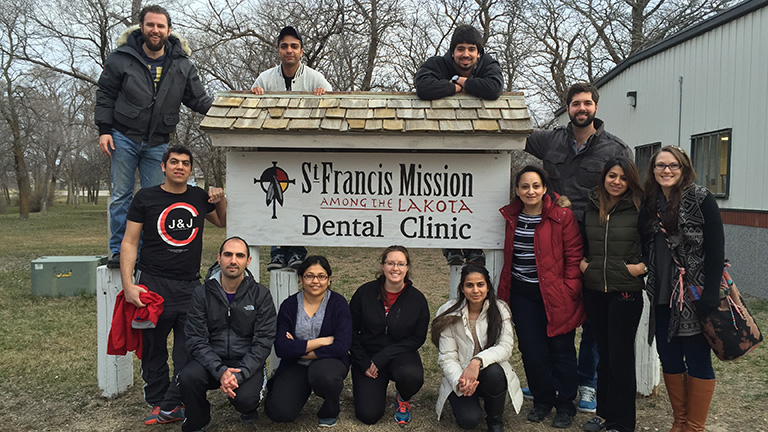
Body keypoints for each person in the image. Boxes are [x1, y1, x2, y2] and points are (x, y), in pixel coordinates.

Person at [525, 82, 633, 417]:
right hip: (553, 242)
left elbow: (625, 194)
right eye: (575, 104)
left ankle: (587, 381)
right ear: (568, 107)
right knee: (553, 309)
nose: (581, 108)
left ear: (596, 107)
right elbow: (510, 132)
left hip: (594, 244)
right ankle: (556, 379)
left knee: (592, 316)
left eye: (587, 103)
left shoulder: (616, 149)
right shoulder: (549, 140)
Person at [95, 5, 213, 268]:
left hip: (158, 142)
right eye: (150, 25)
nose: (155, 30)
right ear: (142, 28)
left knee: (154, 199)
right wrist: (104, 130)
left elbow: (199, 100)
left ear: (169, 31)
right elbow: (105, 95)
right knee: (121, 197)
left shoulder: (182, 64)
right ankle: (118, 251)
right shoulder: (120, 58)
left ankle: (149, 253)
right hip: (122, 136)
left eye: (161, 26)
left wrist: (230, 110)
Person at [119, 145, 226, 425]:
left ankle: (175, 402)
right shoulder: (146, 198)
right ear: (163, 167)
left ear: (191, 170)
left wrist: (219, 199)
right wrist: (129, 285)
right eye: (174, 162)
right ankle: (158, 402)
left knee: (188, 349)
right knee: (153, 347)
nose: (180, 167)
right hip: (152, 284)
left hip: (189, 286)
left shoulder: (198, 197)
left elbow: (221, 221)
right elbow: (129, 241)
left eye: (186, 163)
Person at [639, 146, 723, 432]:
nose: (666, 171)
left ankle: (694, 426)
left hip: (693, 294)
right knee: (669, 355)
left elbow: (716, 248)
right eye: (660, 166)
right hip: (662, 291)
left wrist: (711, 292)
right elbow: (642, 241)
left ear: (684, 168)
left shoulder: (701, 198)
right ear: (653, 171)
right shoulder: (651, 203)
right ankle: (680, 421)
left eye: (673, 165)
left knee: (697, 357)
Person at [497, 165, 584, 429]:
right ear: (517, 190)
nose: (530, 191)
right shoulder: (512, 217)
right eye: (525, 186)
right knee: (532, 351)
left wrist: (569, 290)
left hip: (556, 293)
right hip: (523, 294)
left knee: (562, 351)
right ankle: (543, 400)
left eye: (535, 186)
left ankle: (566, 404)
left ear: (545, 188)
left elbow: (574, 256)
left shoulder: (562, 217)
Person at [414, 23, 503, 266]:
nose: (466, 54)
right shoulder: (436, 64)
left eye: (471, 49)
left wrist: (460, 81)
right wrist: (457, 85)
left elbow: (494, 88)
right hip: (442, 143)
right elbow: (423, 87)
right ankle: (451, 246)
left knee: (473, 197)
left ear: (479, 53)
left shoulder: (489, 65)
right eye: (460, 49)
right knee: (445, 197)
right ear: (452, 51)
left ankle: (474, 247)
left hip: (477, 144)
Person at [249, 25, 332, 271]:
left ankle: (297, 250)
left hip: (304, 152)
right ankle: (277, 252)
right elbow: (252, 108)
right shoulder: (265, 78)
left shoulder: (315, 78)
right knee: (274, 201)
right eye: (284, 46)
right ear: (278, 50)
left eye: (294, 46)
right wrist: (255, 94)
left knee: (299, 202)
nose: (289, 50)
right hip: (273, 152)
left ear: (301, 51)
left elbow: (333, 103)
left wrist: (322, 95)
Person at [178, 237, 276, 431]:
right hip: (212, 361)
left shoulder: (260, 294)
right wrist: (220, 371)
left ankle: (247, 407)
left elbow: (263, 341)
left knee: (247, 400)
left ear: (248, 261)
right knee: (187, 378)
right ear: (219, 258)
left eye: (239, 256)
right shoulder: (202, 293)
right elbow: (196, 339)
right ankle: (199, 419)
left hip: (245, 362)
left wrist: (238, 377)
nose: (233, 260)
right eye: (228, 255)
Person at [580, 157, 646, 432]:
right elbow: (584, 241)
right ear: (604, 178)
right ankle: (605, 414)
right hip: (596, 290)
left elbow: (656, 244)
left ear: (631, 181)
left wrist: (641, 268)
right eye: (612, 176)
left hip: (625, 293)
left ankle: (623, 422)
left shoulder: (640, 208)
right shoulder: (592, 206)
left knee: (620, 358)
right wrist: (586, 265)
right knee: (604, 356)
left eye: (623, 177)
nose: (617, 182)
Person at [432, 264, 524, 432]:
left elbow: (505, 347)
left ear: (488, 287)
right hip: (460, 376)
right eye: (469, 285)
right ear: (462, 288)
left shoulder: (500, 309)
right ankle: (468, 397)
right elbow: (447, 356)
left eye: (480, 284)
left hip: (488, 372)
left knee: (495, 372)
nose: (475, 290)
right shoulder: (448, 312)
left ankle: (495, 420)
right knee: (469, 421)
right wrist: (461, 382)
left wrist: (477, 361)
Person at [264, 256, 352, 428]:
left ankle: (330, 409)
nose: (315, 281)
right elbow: (281, 348)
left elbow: (342, 346)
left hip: (328, 363)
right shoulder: (289, 305)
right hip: (296, 365)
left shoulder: (338, 303)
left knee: (324, 376)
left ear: (329, 279)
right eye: (309, 276)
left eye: (321, 276)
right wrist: (323, 341)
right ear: (301, 278)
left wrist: (299, 348)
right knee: (280, 413)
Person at [349, 245, 430, 425]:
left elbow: (418, 338)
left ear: (407, 268)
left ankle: (402, 398)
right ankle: (378, 392)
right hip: (368, 358)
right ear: (382, 266)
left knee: (412, 376)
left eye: (401, 264)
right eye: (390, 263)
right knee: (368, 415)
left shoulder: (417, 299)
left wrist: (383, 357)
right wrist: (363, 361)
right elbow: (350, 330)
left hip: (400, 355)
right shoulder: (364, 293)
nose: (395, 268)